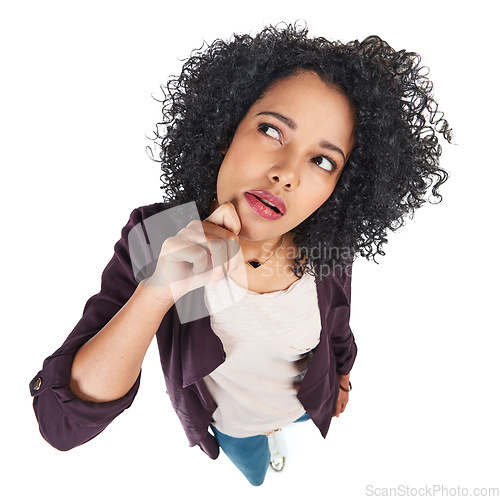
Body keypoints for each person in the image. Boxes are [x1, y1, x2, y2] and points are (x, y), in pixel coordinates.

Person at [29, 23, 452, 487]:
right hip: (232, 428)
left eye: (323, 160)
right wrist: (159, 292)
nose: (287, 174)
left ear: (340, 188)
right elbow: (61, 424)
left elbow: (337, 322)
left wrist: (343, 373)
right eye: (272, 130)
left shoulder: (325, 246)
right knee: (254, 476)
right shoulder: (162, 236)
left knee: (296, 430)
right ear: (226, 125)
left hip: (308, 404)